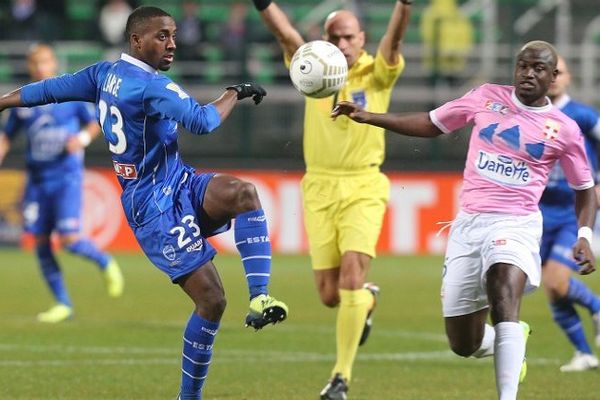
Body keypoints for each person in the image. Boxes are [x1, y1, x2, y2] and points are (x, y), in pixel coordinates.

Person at [0, 6, 288, 400]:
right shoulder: (154, 87)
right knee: (212, 300)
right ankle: (188, 397)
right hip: (153, 207)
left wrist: (2, 101)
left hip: (180, 183)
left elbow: (47, 90)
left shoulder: (103, 74)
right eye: (162, 37)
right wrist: (233, 92)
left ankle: (260, 296)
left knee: (244, 193)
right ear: (136, 41)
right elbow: (203, 122)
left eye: (172, 35)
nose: (172, 44)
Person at [332, 40, 597, 400]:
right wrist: (369, 118)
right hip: (469, 225)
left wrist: (585, 233)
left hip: (516, 224)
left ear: (553, 77)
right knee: (463, 343)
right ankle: (512, 339)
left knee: (503, 286)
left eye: (538, 68)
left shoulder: (563, 129)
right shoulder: (485, 97)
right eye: (523, 66)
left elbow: (585, 187)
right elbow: (430, 123)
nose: (528, 74)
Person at [252, 0, 412, 398]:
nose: (341, 42)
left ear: (362, 39)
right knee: (329, 295)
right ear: (325, 39)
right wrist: (263, 5)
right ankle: (367, 302)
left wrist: (403, 4)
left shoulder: (376, 73)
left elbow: (394, 40)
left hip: (363, 185)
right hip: (319, 186)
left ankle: (340, 378)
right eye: (334, 36)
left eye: (348, 36)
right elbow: (286, 35)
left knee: (351, 278)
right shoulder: (313, 67)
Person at [0, 44, 124, 323]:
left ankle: (104, 261)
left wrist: (81, 139)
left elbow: (96, 123)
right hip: (37, 179)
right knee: (41, 241)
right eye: (35, 63)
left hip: (66, 177)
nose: (40, 67)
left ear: (53, 64)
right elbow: (7, 136)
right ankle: (62, 303)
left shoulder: (69, 95)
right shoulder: (23, 104)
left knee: (68, 239)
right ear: (31, 67)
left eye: (45, 62)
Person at [541, 55, 600, 372]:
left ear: (569, 78)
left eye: (558, 72)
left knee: (556, 279)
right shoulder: (529, 114)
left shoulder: (583, 115)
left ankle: (597, 306)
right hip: (535, 213)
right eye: (547, 71)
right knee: (552, 288)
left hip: (572, 212)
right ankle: (584, 353)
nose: (552, 77)